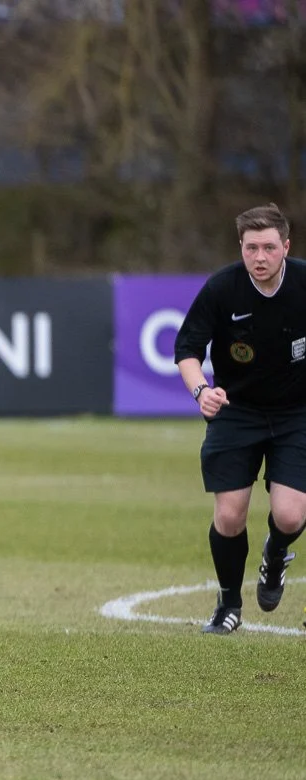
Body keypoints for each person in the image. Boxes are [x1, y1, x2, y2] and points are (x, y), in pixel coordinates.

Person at [175, 203, 306, 634]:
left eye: (269, 247)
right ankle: (228, 605)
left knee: (289, 516)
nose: (260, 257)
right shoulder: (222, 289)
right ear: (241, 247)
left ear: (286, 246)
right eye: (252, 247)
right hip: (236, 411)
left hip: (296, 413)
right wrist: (201, 391)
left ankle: (275, 554)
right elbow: (187, 350)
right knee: (229, 518)